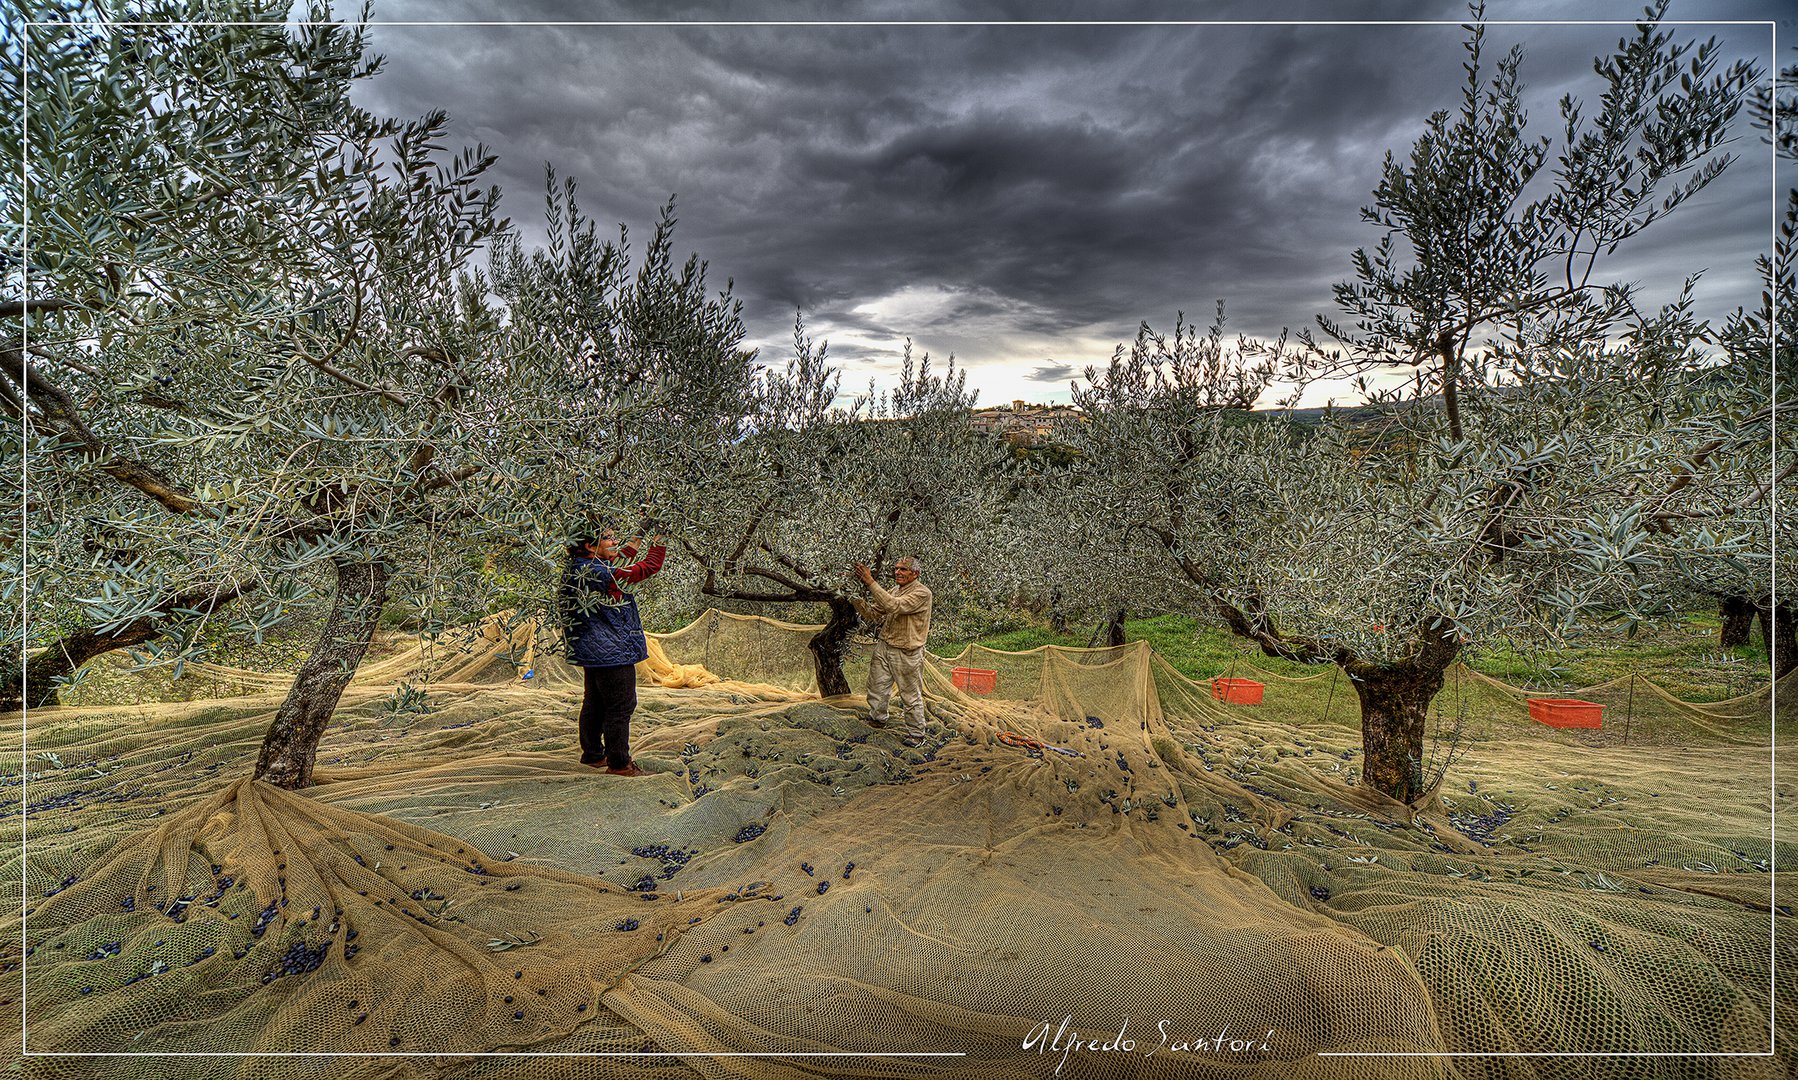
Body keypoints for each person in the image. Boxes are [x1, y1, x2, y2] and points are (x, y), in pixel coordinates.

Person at [560, 521, 666, 776]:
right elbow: (648, 567)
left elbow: (624, 555)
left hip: (594, 648)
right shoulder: (598, 573)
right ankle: (619, 764)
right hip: (611, 650)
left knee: (595, 701)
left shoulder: (583, 566)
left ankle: (593, 754)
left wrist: (644, 526)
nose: (614, 541)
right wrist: (660, 539)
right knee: (621, 705)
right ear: (589, 546)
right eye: (608, 538)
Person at [851, 556, 933, 747]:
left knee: (910, 694)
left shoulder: (922, 593)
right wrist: (853, 597)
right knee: (877, 686)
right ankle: (877, 718)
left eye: (903, 569)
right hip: (885, 645)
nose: (898, 572)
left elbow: (893, 606)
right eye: (896, 569)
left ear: (915, 573)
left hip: (906, 652)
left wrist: (870, 581)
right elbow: (873, 613)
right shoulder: (895, 590)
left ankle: (917, 734)